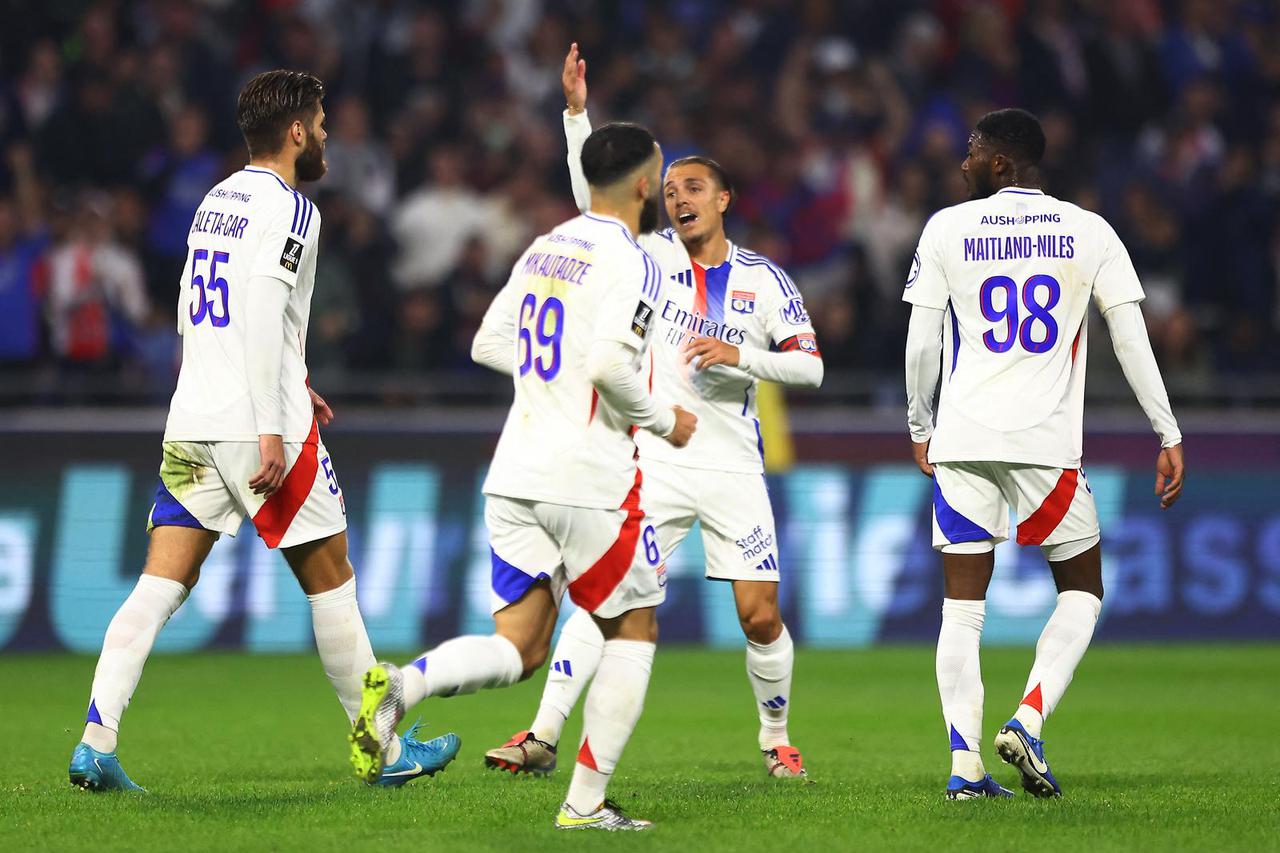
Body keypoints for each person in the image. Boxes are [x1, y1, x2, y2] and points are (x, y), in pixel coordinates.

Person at [67, 70, 457, 792]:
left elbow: (199, 309)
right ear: (299, 132)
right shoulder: (293, 206)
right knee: (331, 573)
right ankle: (385, 749)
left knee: (160, 581)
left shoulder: (215, 199)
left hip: (194, 417)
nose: (330, 133)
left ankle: (96, 739)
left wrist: (293, 374)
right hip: (256, 424)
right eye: (323, 121)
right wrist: (273, 425)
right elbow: (260, 304)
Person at [483, 43, 824, 782]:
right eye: (669, 188)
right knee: (607, 596)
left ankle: (776, 736)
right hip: (657, 459)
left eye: (694, 186)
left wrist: (742, 358)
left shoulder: (766, 281)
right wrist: (578, 115)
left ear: (725, 198)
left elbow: (811, 365)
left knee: (760, 615)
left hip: (732, 461)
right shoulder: (647, 258)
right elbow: (592, 201)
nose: (678, 197)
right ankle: (541, 734)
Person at [347, 121, 697, 832]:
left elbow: (488, 341)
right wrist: (664, 419)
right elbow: (606, 366)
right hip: (587, 474)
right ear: (639, 184)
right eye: (656, 174)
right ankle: (586, 804)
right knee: (633, 625)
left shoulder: (548, 244)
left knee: (521, 646)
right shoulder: (639, 263)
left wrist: (552, 375)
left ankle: (402, 687)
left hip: (514, 472)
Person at [903, 108, 1185, 800]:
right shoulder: (1090, 231)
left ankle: (965, 771)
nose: (963, 159)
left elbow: (922, 341)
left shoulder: (946, 227)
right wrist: (1167, 430)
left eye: (973, 149)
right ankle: (1028, 720)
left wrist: (920, 423)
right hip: (1044, 441)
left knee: (961, 611)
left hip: (963, 437)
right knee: (1083, 590)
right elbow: (1130, 337)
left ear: (1002, 163)